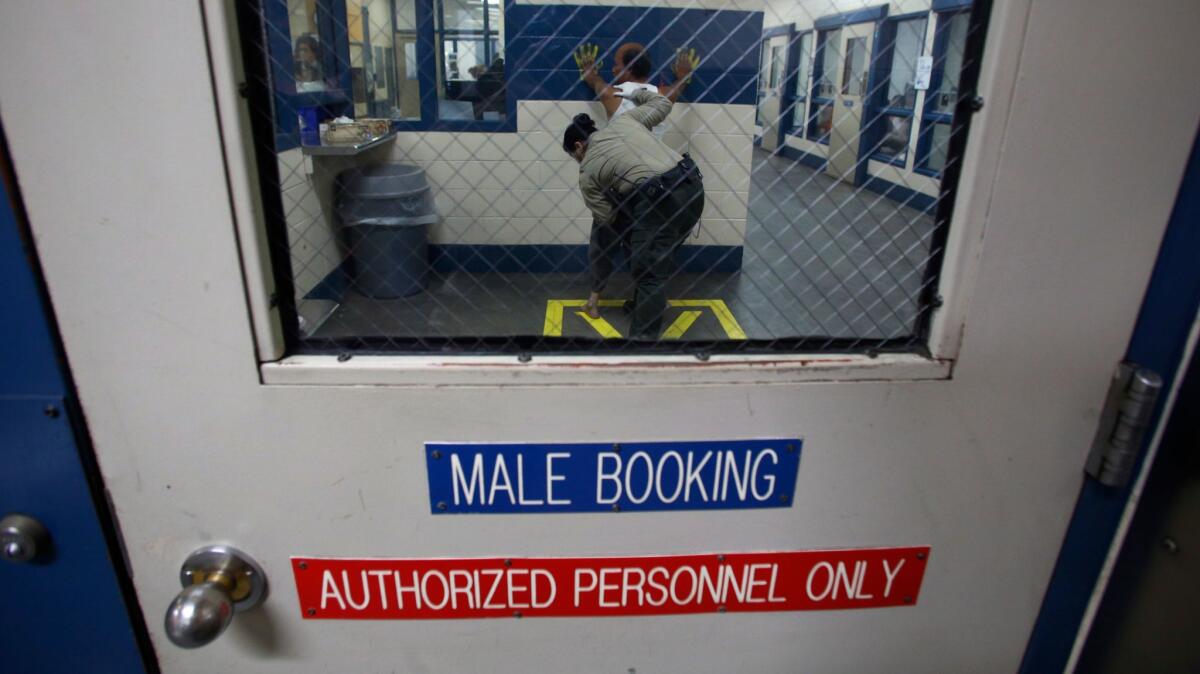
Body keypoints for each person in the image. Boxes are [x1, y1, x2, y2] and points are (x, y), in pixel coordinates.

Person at [563, 89, 705, 339]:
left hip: (659, 201)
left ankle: (642, 343)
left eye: (574, 156)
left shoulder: (587, 171)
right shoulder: (625, 121)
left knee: (649, 271)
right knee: (653, 257)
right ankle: (643, 305)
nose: (578, 160)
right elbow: (662, 103)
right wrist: (633, 94)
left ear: (578, 146)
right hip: (692, 188)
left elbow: (607, 219)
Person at [574, 43, 699, 139]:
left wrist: (588, 71)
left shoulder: (611, 94)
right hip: (654, 167)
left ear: (629, 69)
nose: (613, 70)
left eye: (616, 64)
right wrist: (684, 75)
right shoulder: (665, 96)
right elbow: (680, 85)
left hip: (622, 167)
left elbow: (594, 81)